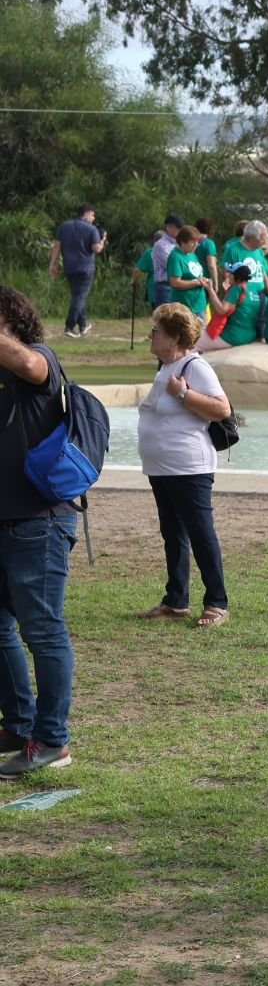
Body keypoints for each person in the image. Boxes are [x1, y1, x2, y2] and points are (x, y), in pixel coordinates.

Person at [0, 287, 80, 779]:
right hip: (5, 520)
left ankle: (52, 739)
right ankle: (18, 724)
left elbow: (25, 364)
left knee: (42, 630)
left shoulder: (40, 364)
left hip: (38, 523)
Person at [135, 304, 234, 629]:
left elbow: (221, 409)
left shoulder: (195, 366)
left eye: (157, 331)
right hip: (162, 468)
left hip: (189, 467)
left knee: (200, 533)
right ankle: (176, 600)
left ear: (176, 337)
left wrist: (184, 394)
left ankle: (217, 602)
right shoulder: (165, 365)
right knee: (173, 534)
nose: (151, 335)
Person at [49, 205, 106, 337]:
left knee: (77, 296)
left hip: (69, 267)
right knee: (80, 297)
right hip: (85, 268)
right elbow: (97, 249)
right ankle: (69, 326)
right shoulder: (91, 229)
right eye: (92, 215)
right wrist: (102, 240)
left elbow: (57, 246)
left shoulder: (64, 227)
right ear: (86, 214)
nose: (93, 218)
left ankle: (83, 324)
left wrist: (53, 264)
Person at [200, 262, 264, 349]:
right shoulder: (253, 289)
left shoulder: (237, 288)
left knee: (192, 342)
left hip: (232, 336)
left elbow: (222, 310)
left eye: (231, 274)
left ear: (239, 277)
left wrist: (210, 289)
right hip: (249, 336)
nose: (228, 276)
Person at [165, 226, 210, 323]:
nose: (196, 245)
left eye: (197, 242)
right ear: (182, 242)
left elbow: (196, 274)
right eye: (192, 242)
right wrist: (197, 283)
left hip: (199, 304)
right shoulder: (176, 257)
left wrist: (203, 280)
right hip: (185, 306)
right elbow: (175, 283)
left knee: (201, 336)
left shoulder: (192, 254)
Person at [221, 220, 268, 294]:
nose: (264, 242)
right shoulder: (233, 250)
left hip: (259, 297)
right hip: (242, 297)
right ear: (251, 238)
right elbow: (226, 274)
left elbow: (263, 274)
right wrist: (231, 295)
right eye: (262, 239)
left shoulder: (259, 250)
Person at [150, 215, 182, 306]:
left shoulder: (179, 244)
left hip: (177, 285)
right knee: (166, 317)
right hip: (165, 286)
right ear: (169, 227)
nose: (180, 230)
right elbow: (172, 265)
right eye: (178, 227)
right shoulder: (161, 245)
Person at [193, 217, 220, 292]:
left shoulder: (191, 241)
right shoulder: (208, 244)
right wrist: (215, 283)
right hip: (205, 280)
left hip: (192, 278)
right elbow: (211, 265)